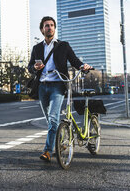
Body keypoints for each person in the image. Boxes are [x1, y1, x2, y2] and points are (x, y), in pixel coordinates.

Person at [28, 16, 92, 162]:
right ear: (42, 29)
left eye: (51, 25)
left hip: (58, 85)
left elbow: (75, 61)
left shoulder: (63, 45)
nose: (49, 27)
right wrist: (34, 67)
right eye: (46, 25)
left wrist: (83, 67)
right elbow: (30, 66)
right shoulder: (37, 48)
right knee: (51, 121)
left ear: (54, 28)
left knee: (52, 118)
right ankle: (60, 142)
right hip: (42, 87)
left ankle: (48, 151)